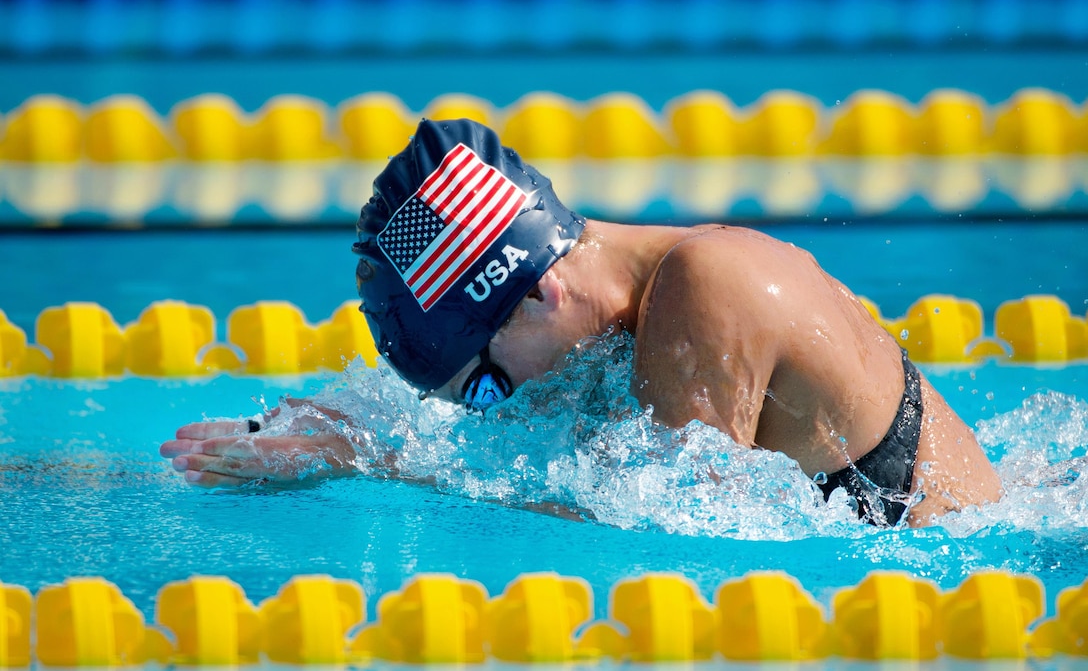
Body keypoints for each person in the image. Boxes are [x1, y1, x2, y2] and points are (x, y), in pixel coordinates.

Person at [161, 118, 1003, 527]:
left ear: (536, 294)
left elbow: (672, 529)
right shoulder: (630, 316)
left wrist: (373, 464)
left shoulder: (703, 288)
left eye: (486, 390)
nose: (508, 410)